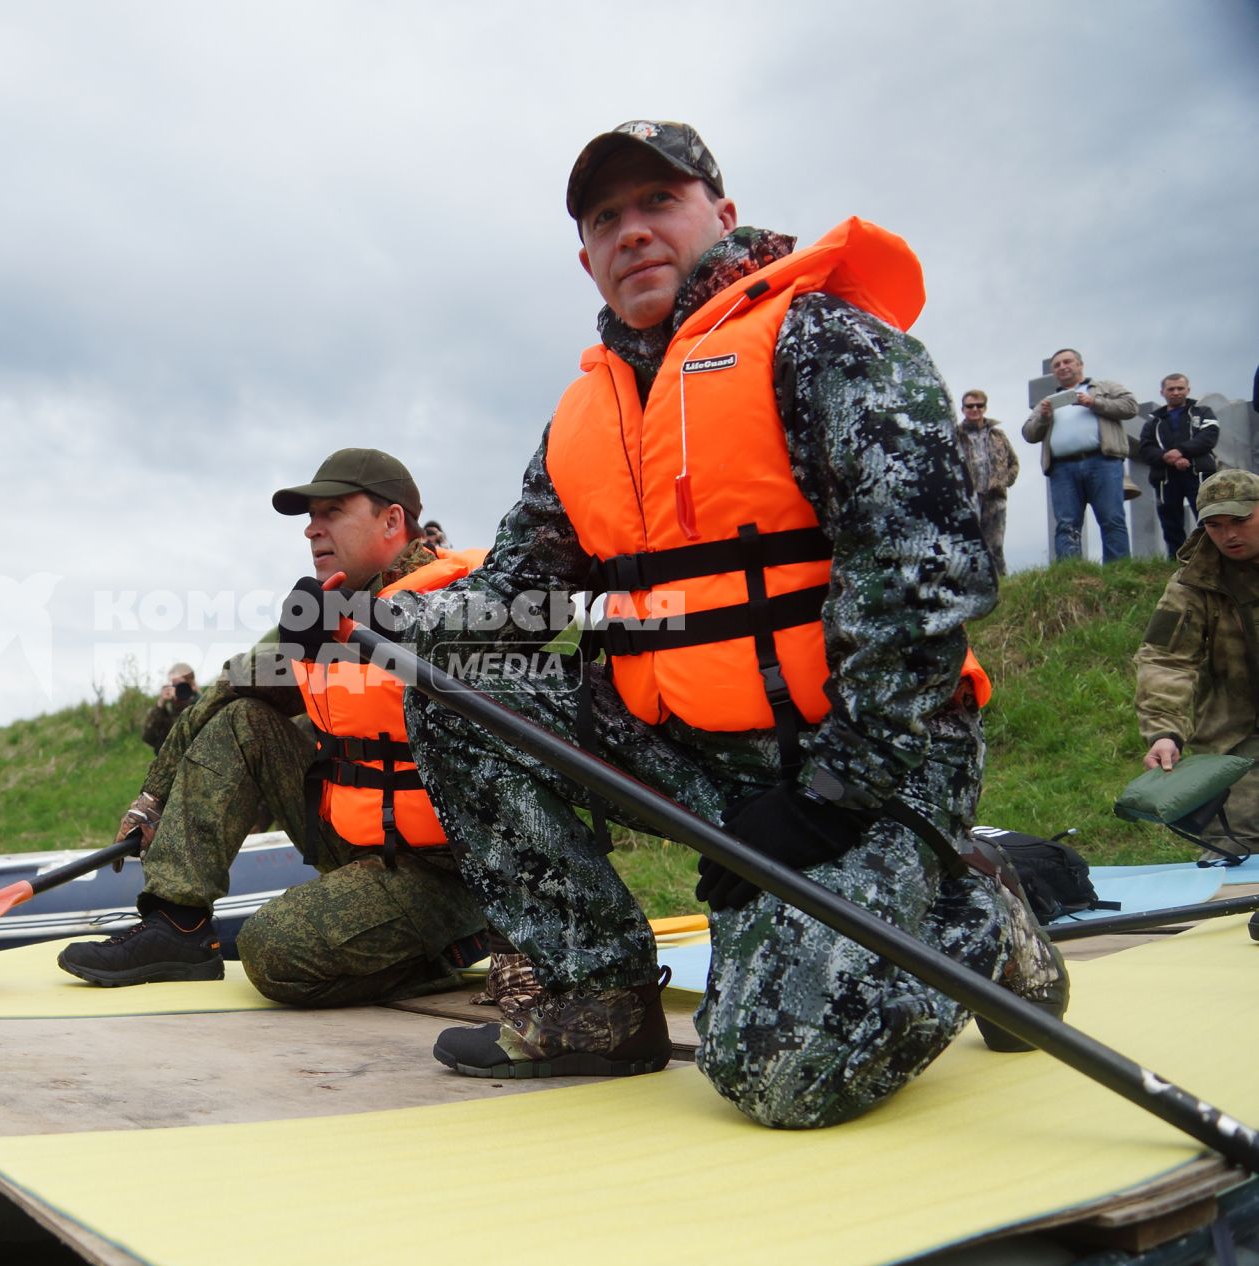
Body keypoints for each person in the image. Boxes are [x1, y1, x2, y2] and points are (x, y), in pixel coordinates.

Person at [288, 120, 1064, 1128]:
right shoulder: (581, 416)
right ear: (584, 257)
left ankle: (971, 906)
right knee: (463, 693)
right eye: (605, 217)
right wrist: (382, 616)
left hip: (866, 764)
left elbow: (921, 584)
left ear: (720, 213)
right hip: (687, 755)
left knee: (776, 1074)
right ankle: (597, 999)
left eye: (658, 201)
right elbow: (516, 599)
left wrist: (829, 797)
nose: (632, 231)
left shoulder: (825, 343)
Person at [58, 448, 489, 1007]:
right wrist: (153, 797)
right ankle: (178, 926)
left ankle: (455, 943)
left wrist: (365, 636)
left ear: (392, 520)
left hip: (459, 870)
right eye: (310, 518)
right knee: (244, 721)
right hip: (366, 844)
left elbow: (528, 648)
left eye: (333, 511)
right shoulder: (327, 612)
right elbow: (233, 686)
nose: (313, 530)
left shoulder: (466, 597)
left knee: (270, 951)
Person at [1135, 468, 1259, 848]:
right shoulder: (1192, 584)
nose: (1229, 535)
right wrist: (1164, 732)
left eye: (1240, 520)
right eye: (1216, 525)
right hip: (1236, 739)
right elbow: (1165, 660)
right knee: (1233, 848)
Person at [1021, 349, 1139, 563]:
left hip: (1103, 461)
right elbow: (1028, 433)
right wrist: (1044, 418)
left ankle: (1119, 571)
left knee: (1112, 518)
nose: (1062, 367)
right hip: (1062, 468)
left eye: (1068, 362)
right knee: (1067, 523)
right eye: (1057, 365)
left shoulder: (1104, 387)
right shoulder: (1047, 402)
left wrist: (1094, 403)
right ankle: (1070, 574)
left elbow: (1131, 407)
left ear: (1080, 365)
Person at [1136, 374, 1220, 560]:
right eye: (1171, 389)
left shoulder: (1203, 412)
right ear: (1162, 392)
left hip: (1198, 473)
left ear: (1188, 390)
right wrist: (1170, 458)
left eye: (1180, 388)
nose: (1175, 393)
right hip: (1165, 477)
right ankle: (1178, 561)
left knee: (1207, 515)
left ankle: (1212, 558)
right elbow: (1145, 449)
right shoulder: (1153, 422)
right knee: (1170, 521)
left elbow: (1209, 437)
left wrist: (1181, 451)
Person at [959, 390, 1021, 576]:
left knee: (995, 547)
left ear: (985, 408)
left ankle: (1002, 589)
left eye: (979, 405)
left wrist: (1003, 482)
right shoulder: (955, 436)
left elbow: (1014, 463)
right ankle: (971, 590)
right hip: (967, 500)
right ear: (963, 409)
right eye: (970, 406)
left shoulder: (998, 435)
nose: (975, 409)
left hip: (995, 499)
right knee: (969, 547)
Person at [140, 663, 200, 753]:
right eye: (171, 684)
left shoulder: (200, 705)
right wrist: (160, 703)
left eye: (178, 684)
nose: (175, 689)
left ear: (191, 686)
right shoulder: (166, 710)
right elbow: (148, 737)